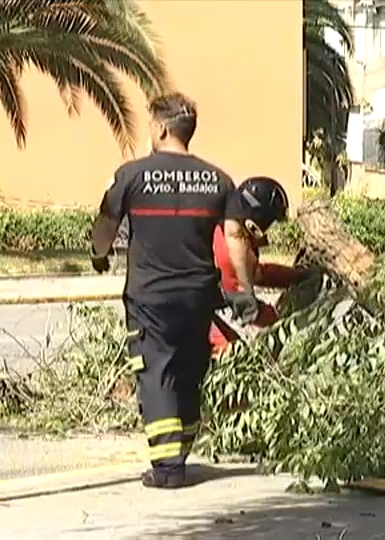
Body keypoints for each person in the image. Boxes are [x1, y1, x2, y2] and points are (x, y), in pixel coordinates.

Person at [88, 92, 261, 489]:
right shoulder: (218, 180)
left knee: (156, 372)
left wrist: (98, 253)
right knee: (187, 371)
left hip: (151, 297)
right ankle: (180, 452)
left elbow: (106, 223)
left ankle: (168, 469)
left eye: (151, 123)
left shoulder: (131, 176)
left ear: (161, 128)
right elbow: (234, 234)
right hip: (198, 295)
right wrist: (245, 291)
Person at [208, 177, 313, 355]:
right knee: (231, 355)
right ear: (254, 225)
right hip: (178, 311)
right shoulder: (228, 253)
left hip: (192, 304)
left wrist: (299, 276)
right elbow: (246, 308)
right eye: (270, 224)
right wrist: (285, 326)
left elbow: (259, 274)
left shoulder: (232, 233)